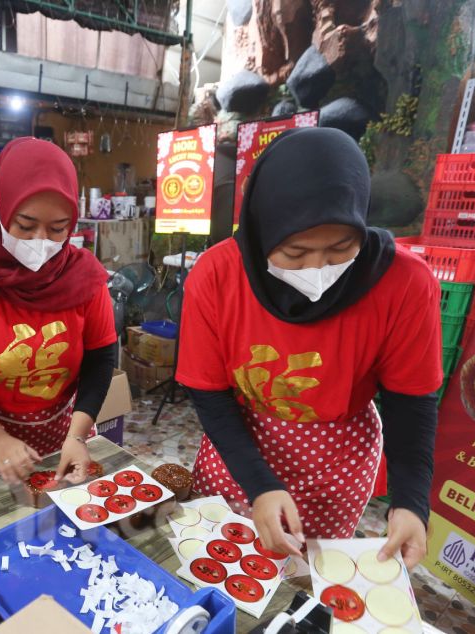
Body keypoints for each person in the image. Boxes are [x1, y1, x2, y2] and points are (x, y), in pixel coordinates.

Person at [176, 128, 442, 569]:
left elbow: (411, 402)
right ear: (263, 231)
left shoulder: (405, 283)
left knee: (307, 576)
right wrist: (259, 484)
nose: (317, 269)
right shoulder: (217, 275)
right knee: (223, 566)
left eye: (341, 248)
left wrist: (411, 502)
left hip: (336, 460)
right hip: (242, 444)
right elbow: (209, 392)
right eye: (295, 251)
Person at [0, 138, 117, 483]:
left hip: (64, 432)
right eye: (25, 226)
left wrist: (77, 435)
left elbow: (100, 360)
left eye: (58, 228)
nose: (39, 241)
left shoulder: (84, 278)